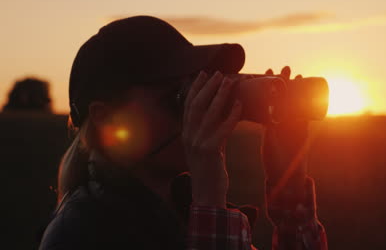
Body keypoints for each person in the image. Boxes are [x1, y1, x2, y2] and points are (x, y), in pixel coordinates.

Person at [39, 16, 327, 250]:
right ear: (106, 119)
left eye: (198, 88)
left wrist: (289, 179)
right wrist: (210, 198)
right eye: (177, 97)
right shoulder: (80, 234)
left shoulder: (182, 210)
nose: (195, 110)